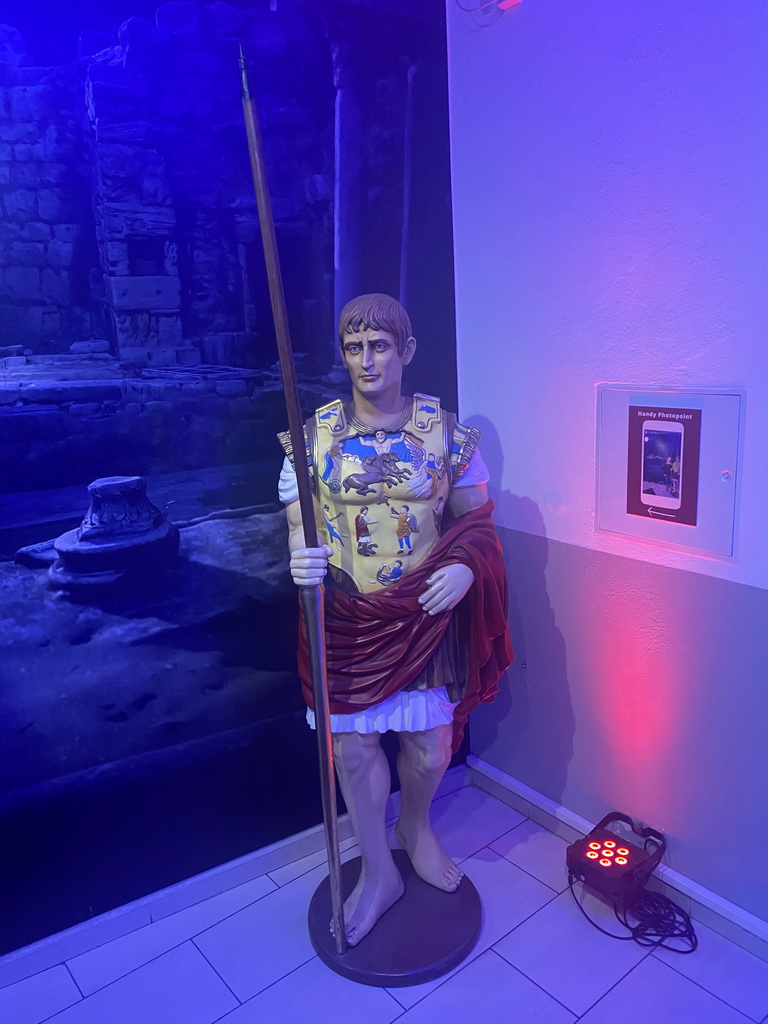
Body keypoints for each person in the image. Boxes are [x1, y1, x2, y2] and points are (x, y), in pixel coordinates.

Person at [278, 294, 512, 947]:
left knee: (431, 744)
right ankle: (377, 871)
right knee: (351, 748)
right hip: (351, 616)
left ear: (406, 351)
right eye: (354, 348)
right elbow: (300, 528)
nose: (366, 360)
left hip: (421, 613)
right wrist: (299, 560)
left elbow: (478, 525)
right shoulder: (314, 437)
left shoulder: (447, 434)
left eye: (379, 345)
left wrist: (468, 565)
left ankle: (415, 827)